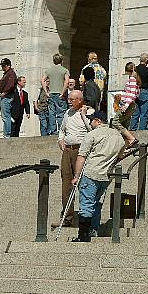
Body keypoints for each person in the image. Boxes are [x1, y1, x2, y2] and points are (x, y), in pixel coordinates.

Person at [71, 111, 124, 242]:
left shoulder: (92, 135)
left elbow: (81, 156)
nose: (90, 123)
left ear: (98, 121)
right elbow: (120, 155)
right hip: (106, 175)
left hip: (91, 173)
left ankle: (83, 235)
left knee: (86, 203)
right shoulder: (118, 136)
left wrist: (76, 176)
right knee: (96, 202)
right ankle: (93, 230)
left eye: (92, 120)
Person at [54, 90, 91, 228]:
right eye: (69, 99)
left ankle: (85, 217)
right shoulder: (67, 113)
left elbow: (92, 130)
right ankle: (67, 217)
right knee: (66, 183)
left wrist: (83, 115)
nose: (69, 101)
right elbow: (62, 129)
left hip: (81, 150)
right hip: (67, 150)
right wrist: (60, 140)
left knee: (82, 183)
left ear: (80, 100)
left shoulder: (89, 112)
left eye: (72, 99)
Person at [111, 62, 139, 148]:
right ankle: (125, 144)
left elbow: (132, 94)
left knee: (115, 122)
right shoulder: (134, 79)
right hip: (129, 104)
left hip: (128, 105)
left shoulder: (132, 79)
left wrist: (126, 105)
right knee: (124, 124)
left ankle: (131, 138)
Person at [41, 53, 69, 135]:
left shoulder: (49, 70)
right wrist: (63, 92)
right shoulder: (64, 70)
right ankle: (61, 130)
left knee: (51, 113)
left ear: (53, 61)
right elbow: (67, 81)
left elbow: (42, 80)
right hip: (60, 93)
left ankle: (53, 131)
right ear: (61, 60)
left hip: (51, 93)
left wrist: (46, 91)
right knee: (61, 113)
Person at [129, 52, 148, 131]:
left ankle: (132, 128)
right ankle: (142, 129)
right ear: (146, 60)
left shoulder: (135, 70)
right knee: (144, 113)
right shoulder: (147, 70)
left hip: (135, 91)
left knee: (135, 112)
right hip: (144, 91)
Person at [0, 58, 18, 138]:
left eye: (4, 66)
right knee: (5, 116)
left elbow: (11, 85)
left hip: (7, 96)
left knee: (6, 116)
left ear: (8, 65)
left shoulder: (11, 73)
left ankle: (7, 134)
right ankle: (6, 133)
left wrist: (4, 92)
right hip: (4, 96)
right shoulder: (6, 74)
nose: (2, 67)